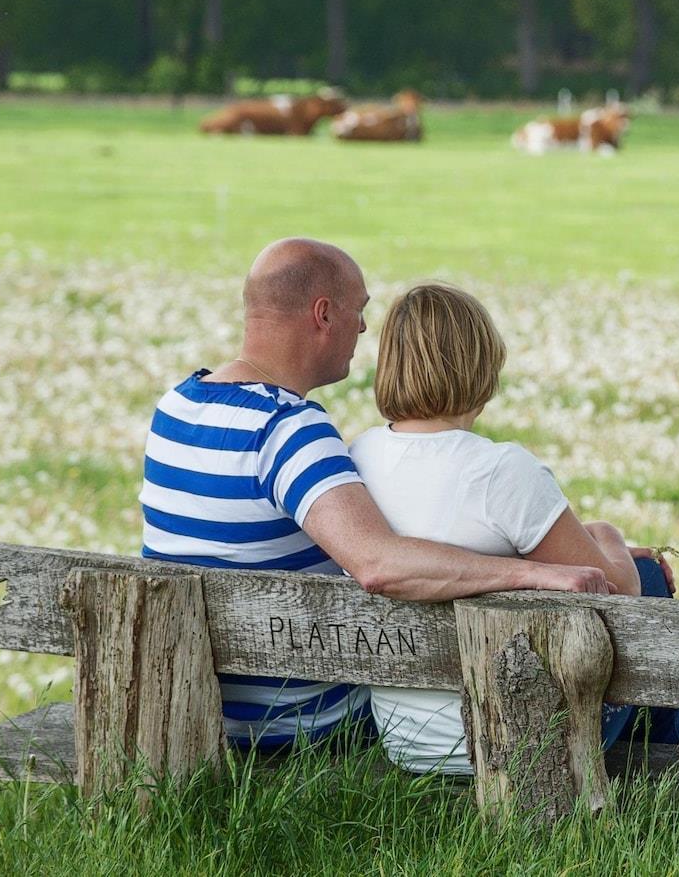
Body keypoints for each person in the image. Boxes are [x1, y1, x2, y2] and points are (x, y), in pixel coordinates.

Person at [139, 238, 609, 750]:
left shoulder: (176, 407)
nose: (364, 329)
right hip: (301, 724)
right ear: (323, 314)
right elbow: (378, 565)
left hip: (203, 708)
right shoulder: (287, 430)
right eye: (359, 310)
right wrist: (533, 573)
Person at [351, 281, 679, 775]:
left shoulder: (360, 455)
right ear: (481, 364)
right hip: (521, 744)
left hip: (406, 741)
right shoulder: (499, 470)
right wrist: (608, 535)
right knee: (648, 576)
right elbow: (623, 591)